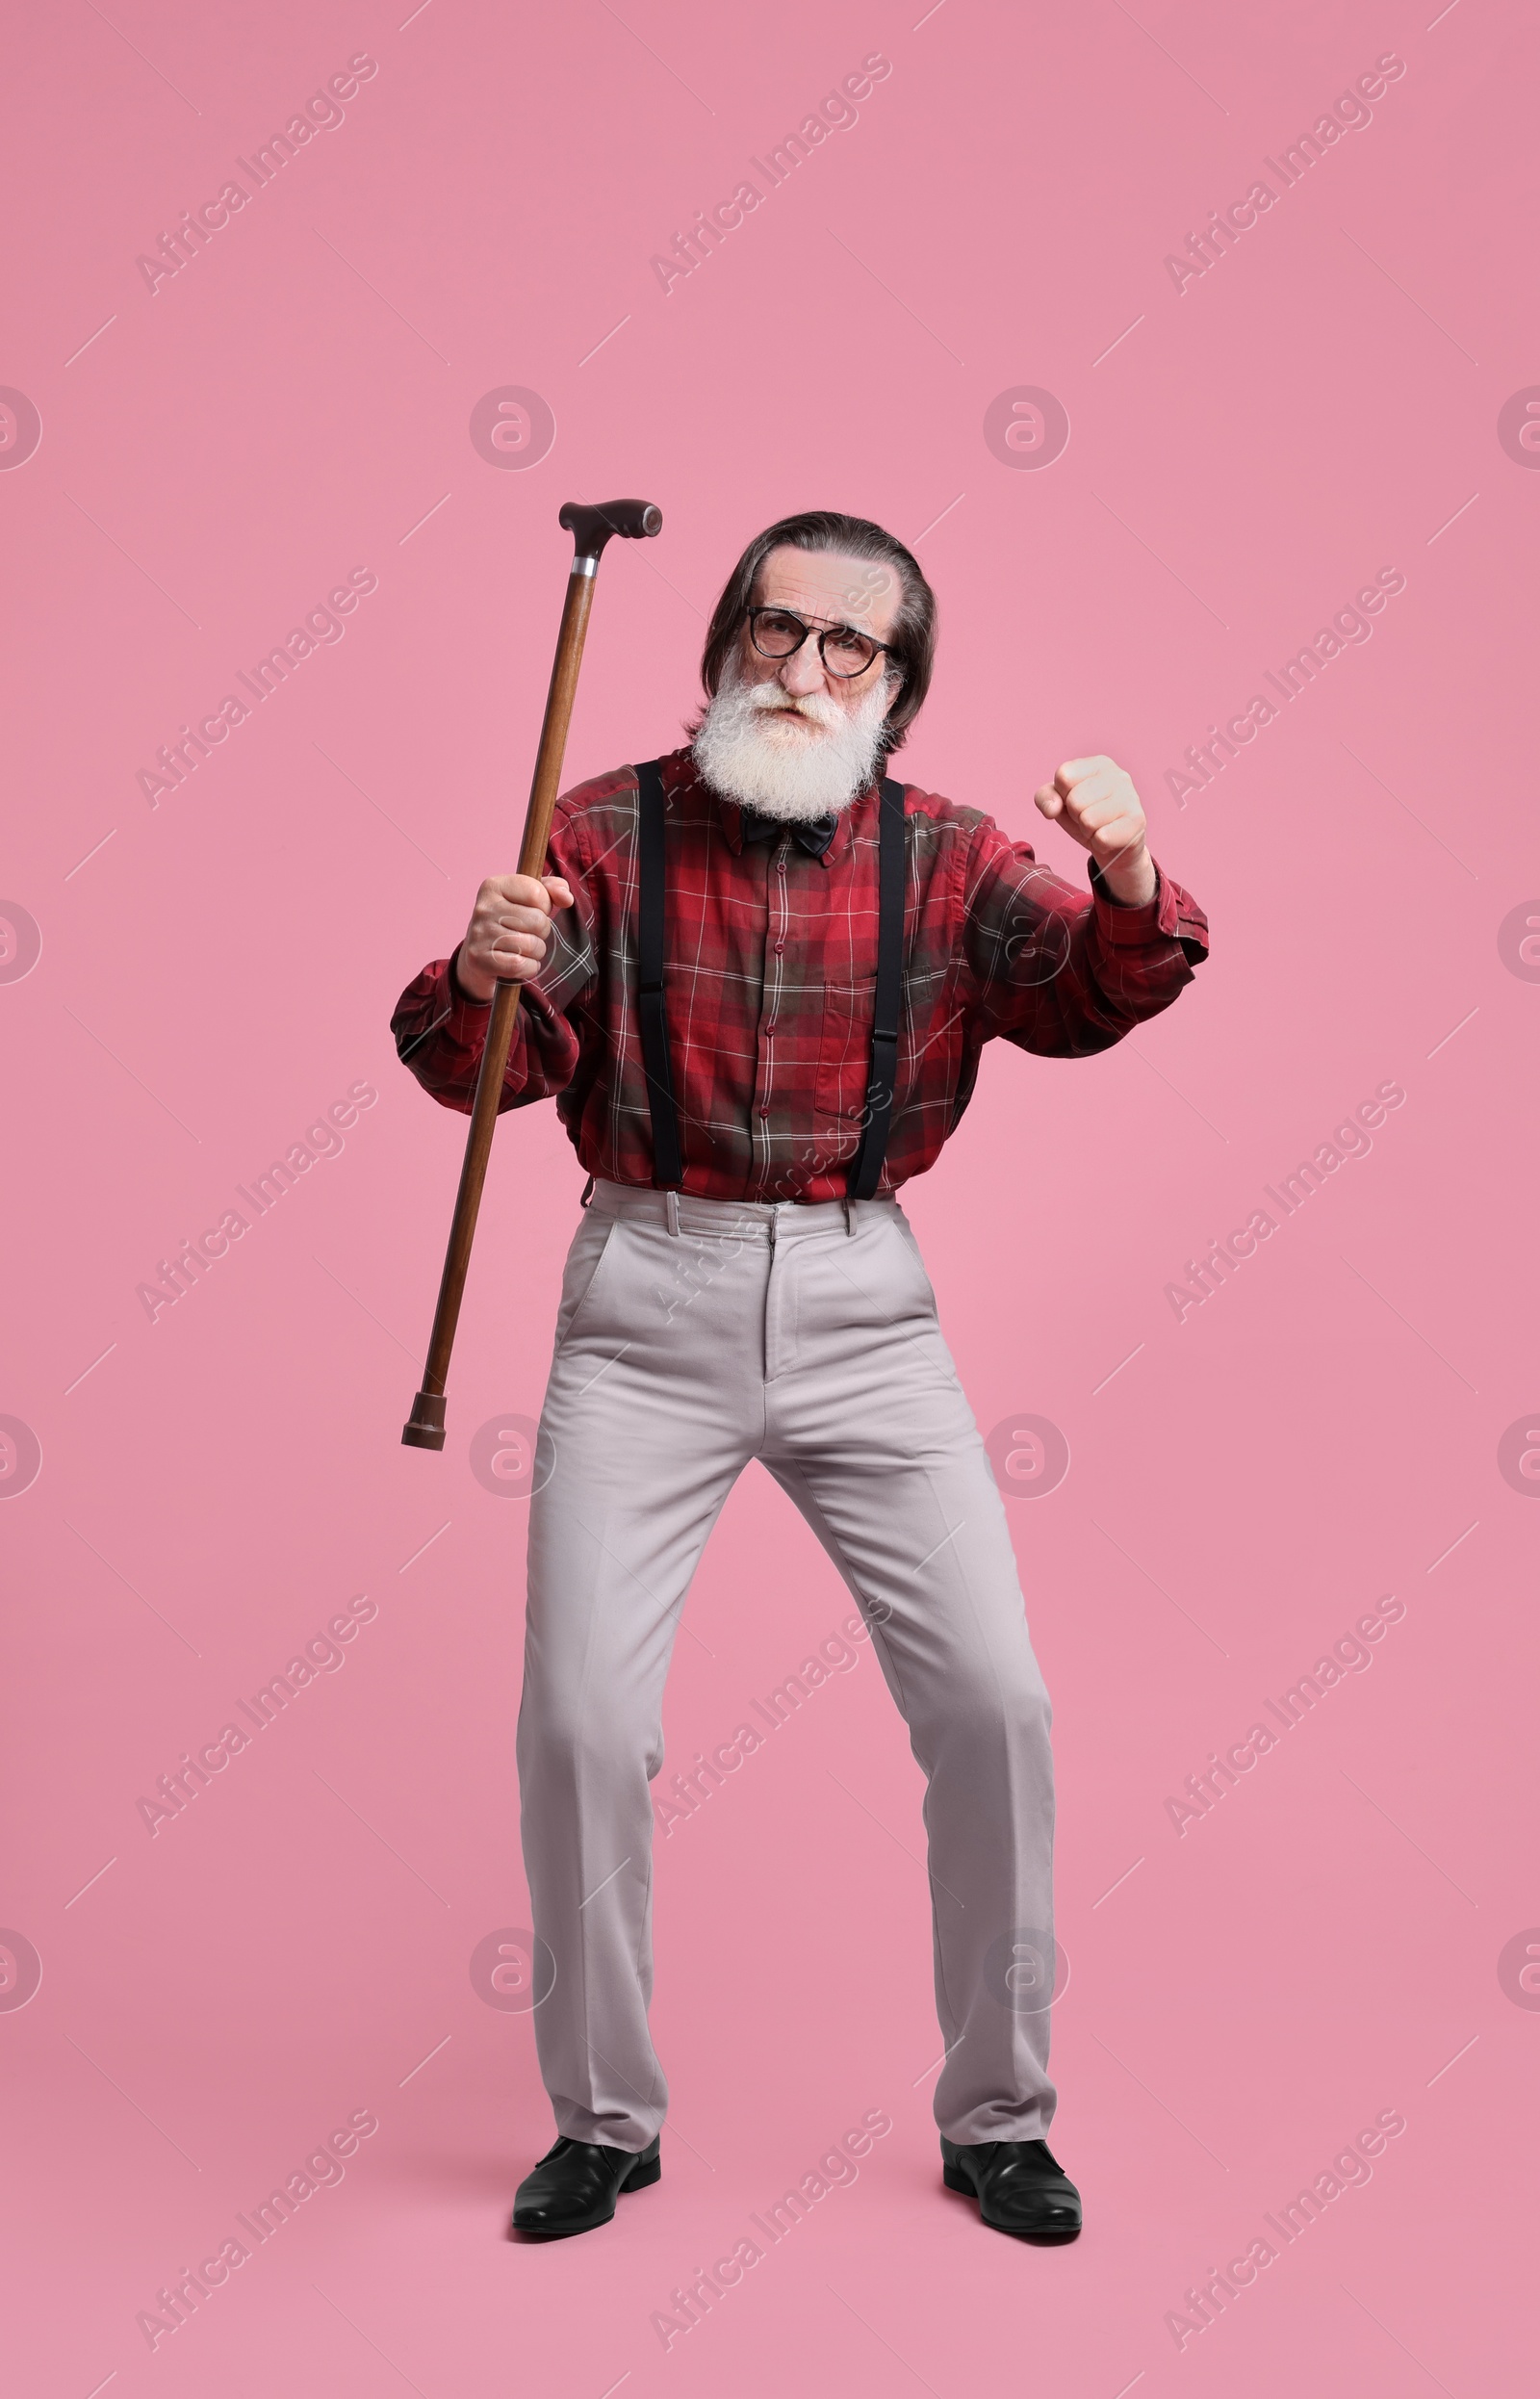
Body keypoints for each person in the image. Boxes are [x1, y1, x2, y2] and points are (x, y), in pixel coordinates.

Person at [392, 510, 1209, 2244]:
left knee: (997, 1708)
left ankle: (1000, 2117)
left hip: (864, 1308)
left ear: (899, 688)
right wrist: (480, 975)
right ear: (721, 642)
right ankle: (605, 2120)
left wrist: (1131, 875)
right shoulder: (598, 829)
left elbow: (1085, 994)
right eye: (779, 630)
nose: (808, 668)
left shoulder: (952, 856)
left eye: (855, 647)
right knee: (581, 1726)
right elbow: (488, 1068)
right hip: (644, 1295)